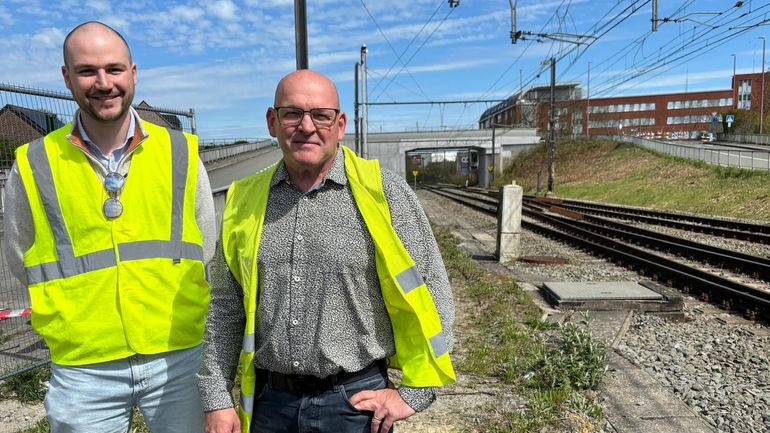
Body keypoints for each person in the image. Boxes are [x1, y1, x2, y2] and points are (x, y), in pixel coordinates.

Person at [198, 69, 455, 433]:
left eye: (320, 115)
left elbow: (432, 289)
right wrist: (217, 397)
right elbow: (225, 306)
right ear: (272, 122)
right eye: (292, 113)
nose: (307, 126)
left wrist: (416, 393)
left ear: (340, 125)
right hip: (270, 405)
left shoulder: (386, 193)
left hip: (355, 405)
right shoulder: (244, 200)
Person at [3, 21, 216, 432]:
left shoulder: (179, 151)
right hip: (83, 366)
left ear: (133, 73)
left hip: (178, 354)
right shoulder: (34, 162)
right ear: (67, 77)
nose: (103, 82)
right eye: (87, 71)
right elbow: (19, 256)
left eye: (114, 69)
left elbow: (204, 242)